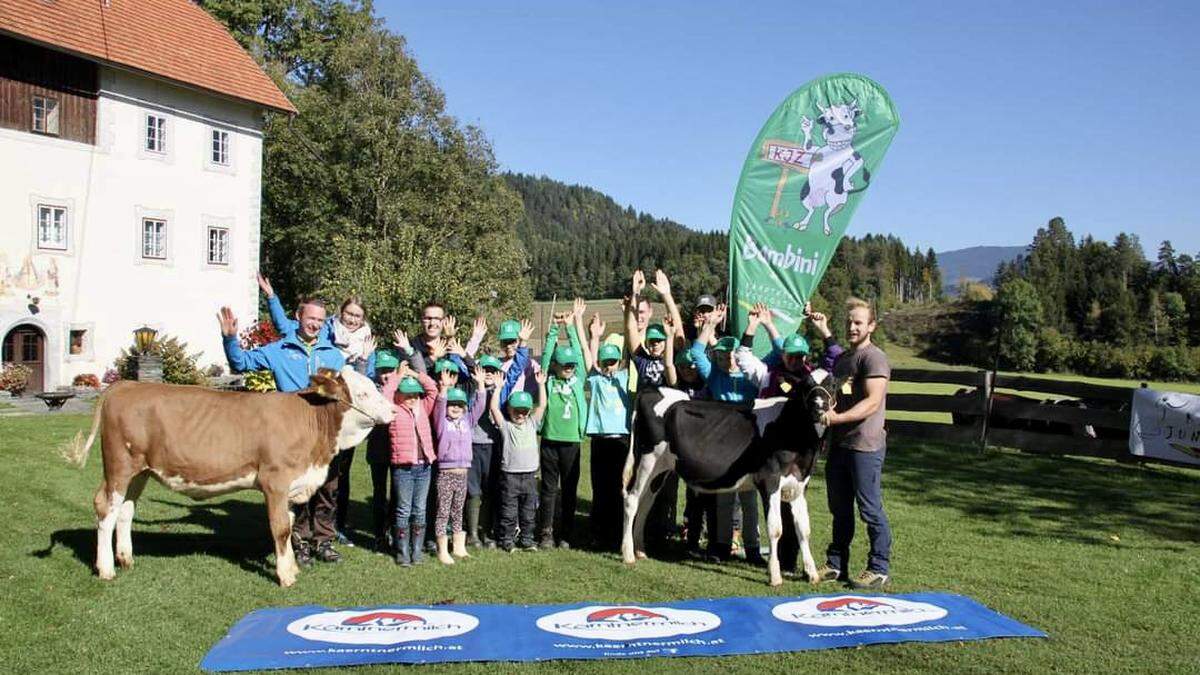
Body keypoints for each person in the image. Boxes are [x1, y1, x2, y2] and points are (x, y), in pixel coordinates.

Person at [218, 301, 347, 565]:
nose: (315, 324)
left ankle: (323, 540)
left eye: (320, 321)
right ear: (298, 317)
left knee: (328, 488)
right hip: (291, 434)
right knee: (294, 489)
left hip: (325, 434)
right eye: (310, 318)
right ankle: (298, 542)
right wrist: (230, 339)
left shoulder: (334, 355)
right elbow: (240, 363)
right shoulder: (279, 350)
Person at [816, 296, 893, 589]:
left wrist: (836, 419)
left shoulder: (874, 358)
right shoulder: (844, 359)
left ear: (871, 325)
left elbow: (873, 402)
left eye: (858, 322)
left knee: (869, 508)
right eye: (849, 322)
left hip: (865, 446)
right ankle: (836, 564)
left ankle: (879, 567)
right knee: (840, 509)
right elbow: (836, 395)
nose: (852, 327)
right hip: (840, 445)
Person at [689, 304, 764, 564]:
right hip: (722, 450)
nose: (726, 359)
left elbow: (777, 356)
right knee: (722, 500)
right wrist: (711, 324)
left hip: (748, 449)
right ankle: (721, 546)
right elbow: (696, 352)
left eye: (730, 354)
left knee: (749, 502)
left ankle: (753, 549)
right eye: (721, 355)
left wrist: (755, 326)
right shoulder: (714, 376)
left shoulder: (750, 378)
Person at [466, 320, 534, 548]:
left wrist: (523, 343)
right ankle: (473, 533)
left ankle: (489, 531)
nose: (488, 374)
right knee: (473, 490)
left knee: (493, 487)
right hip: (473, 445)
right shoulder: (472, 388)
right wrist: (472, 340)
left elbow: (516, 367)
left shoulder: (502, 390)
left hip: (496, 445)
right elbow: (461, 362)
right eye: (484, 369)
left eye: (493, 371)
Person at [536, 300, 589, 550]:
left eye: (571, 366)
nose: (568, 368)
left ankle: (567, 533)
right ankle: (546, 532)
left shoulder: (578, 380)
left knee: (569, 490)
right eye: (564, 365)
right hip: (549, 440)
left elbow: (578, 353)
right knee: (548, 489)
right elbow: (545, 359)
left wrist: (571, 329)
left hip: (572, 444)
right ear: (556, 366)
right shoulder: (548, 380)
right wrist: (556, 330)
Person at [381, 362, 438, 567]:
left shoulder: (424, 406)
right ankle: (402, 551)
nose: (412, 398)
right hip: (403, 468)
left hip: (424, 467)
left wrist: (415, 373)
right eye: (408, 394)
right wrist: (397, 376)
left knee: (420, 509)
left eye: (415, 394)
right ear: (399, 395)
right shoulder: (393, 409)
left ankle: (417, 550)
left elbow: (432, 388)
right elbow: (385, 394)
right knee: (403, 509)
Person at [584, 311, 632, 550]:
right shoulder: (596, 379)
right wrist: (594, 337)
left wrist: (628, 317)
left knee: (619, 489)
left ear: (620, 361)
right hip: (600, 441)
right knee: (600, 489)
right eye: (606, 362)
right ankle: (598, 534)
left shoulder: (625, 377)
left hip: (622, 441)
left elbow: (634, 350)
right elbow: (589, 360)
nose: (609, 366)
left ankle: (617, 535)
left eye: (613, 361)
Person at [432, 366, 488, 564]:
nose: (455, 408)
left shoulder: (467, 421)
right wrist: (444, 389)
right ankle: (442, 549)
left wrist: (481, 384)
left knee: (458, 510)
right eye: (452, 404)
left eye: (460, 405)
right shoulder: (441, 422)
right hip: (446, 473)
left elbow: (479, 406)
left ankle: (458, 546)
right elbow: (440, 406)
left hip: (463, 474)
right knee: (443, 511)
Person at [491, 371, 547, 552]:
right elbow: (493, 408)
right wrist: (498, 389)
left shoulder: (532, 423)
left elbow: (543, 405)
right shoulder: (506, 427)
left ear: (529, 411)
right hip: (510, 477)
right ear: (509, 410)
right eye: (517, 410)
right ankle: (507, 540)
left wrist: (541, 385)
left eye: (524, 411)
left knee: (529, 512)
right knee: (509, 511)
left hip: (530, 476)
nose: (520, 414)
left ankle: (527, 540)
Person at [366, 348, 400, 553]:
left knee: (397, 493)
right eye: (382, 370)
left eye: (390, 370)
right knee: (379, 493)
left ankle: (395, 532)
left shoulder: (402, 389)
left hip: (397, 448)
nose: (386, 374)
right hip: (377, 448)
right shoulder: (373, 391)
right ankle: (379, 534)